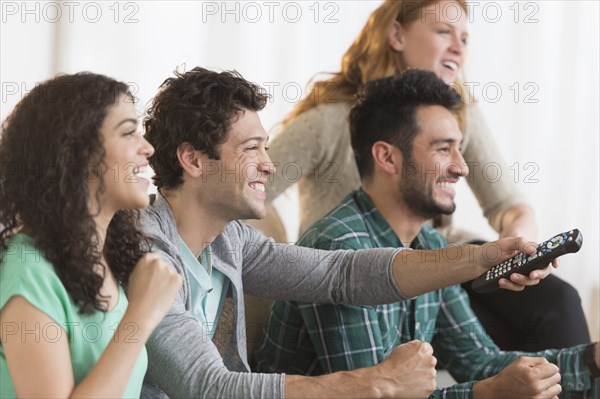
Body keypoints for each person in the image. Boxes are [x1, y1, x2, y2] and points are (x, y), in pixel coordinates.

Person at [137, 66, 551, 398]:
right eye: (251, 149)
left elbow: (342, 275)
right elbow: (209, 387)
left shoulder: (231, 242)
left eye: (265, 147)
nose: (270, 164)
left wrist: (481, 257)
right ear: (193, 160)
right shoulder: (147, 251)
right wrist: (376, 384)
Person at [261, 0, 590, 351]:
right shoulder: (325, 121)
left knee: (556, 304)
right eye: (443, 31)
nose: (458, 47)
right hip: (358, 268)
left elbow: (510, 205)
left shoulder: (459, 112)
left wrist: (517, 251)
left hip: (438, 260)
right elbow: (244, 189)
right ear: (397, 34)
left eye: (464, 38)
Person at [254, 70, 599, 399]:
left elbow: (478, 360)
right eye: (443, 148)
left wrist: (591, 360)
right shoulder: (337, 246)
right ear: (387, 157)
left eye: (459, 148)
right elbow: (376, 393)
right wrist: (488, 392)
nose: (462, 166)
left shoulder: (432, 245)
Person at [0, 73, 182, 398]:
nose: (148, 148)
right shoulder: (29, 271)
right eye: (128, 132)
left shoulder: (106, 257)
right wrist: (140, 317)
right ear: (76, 154)